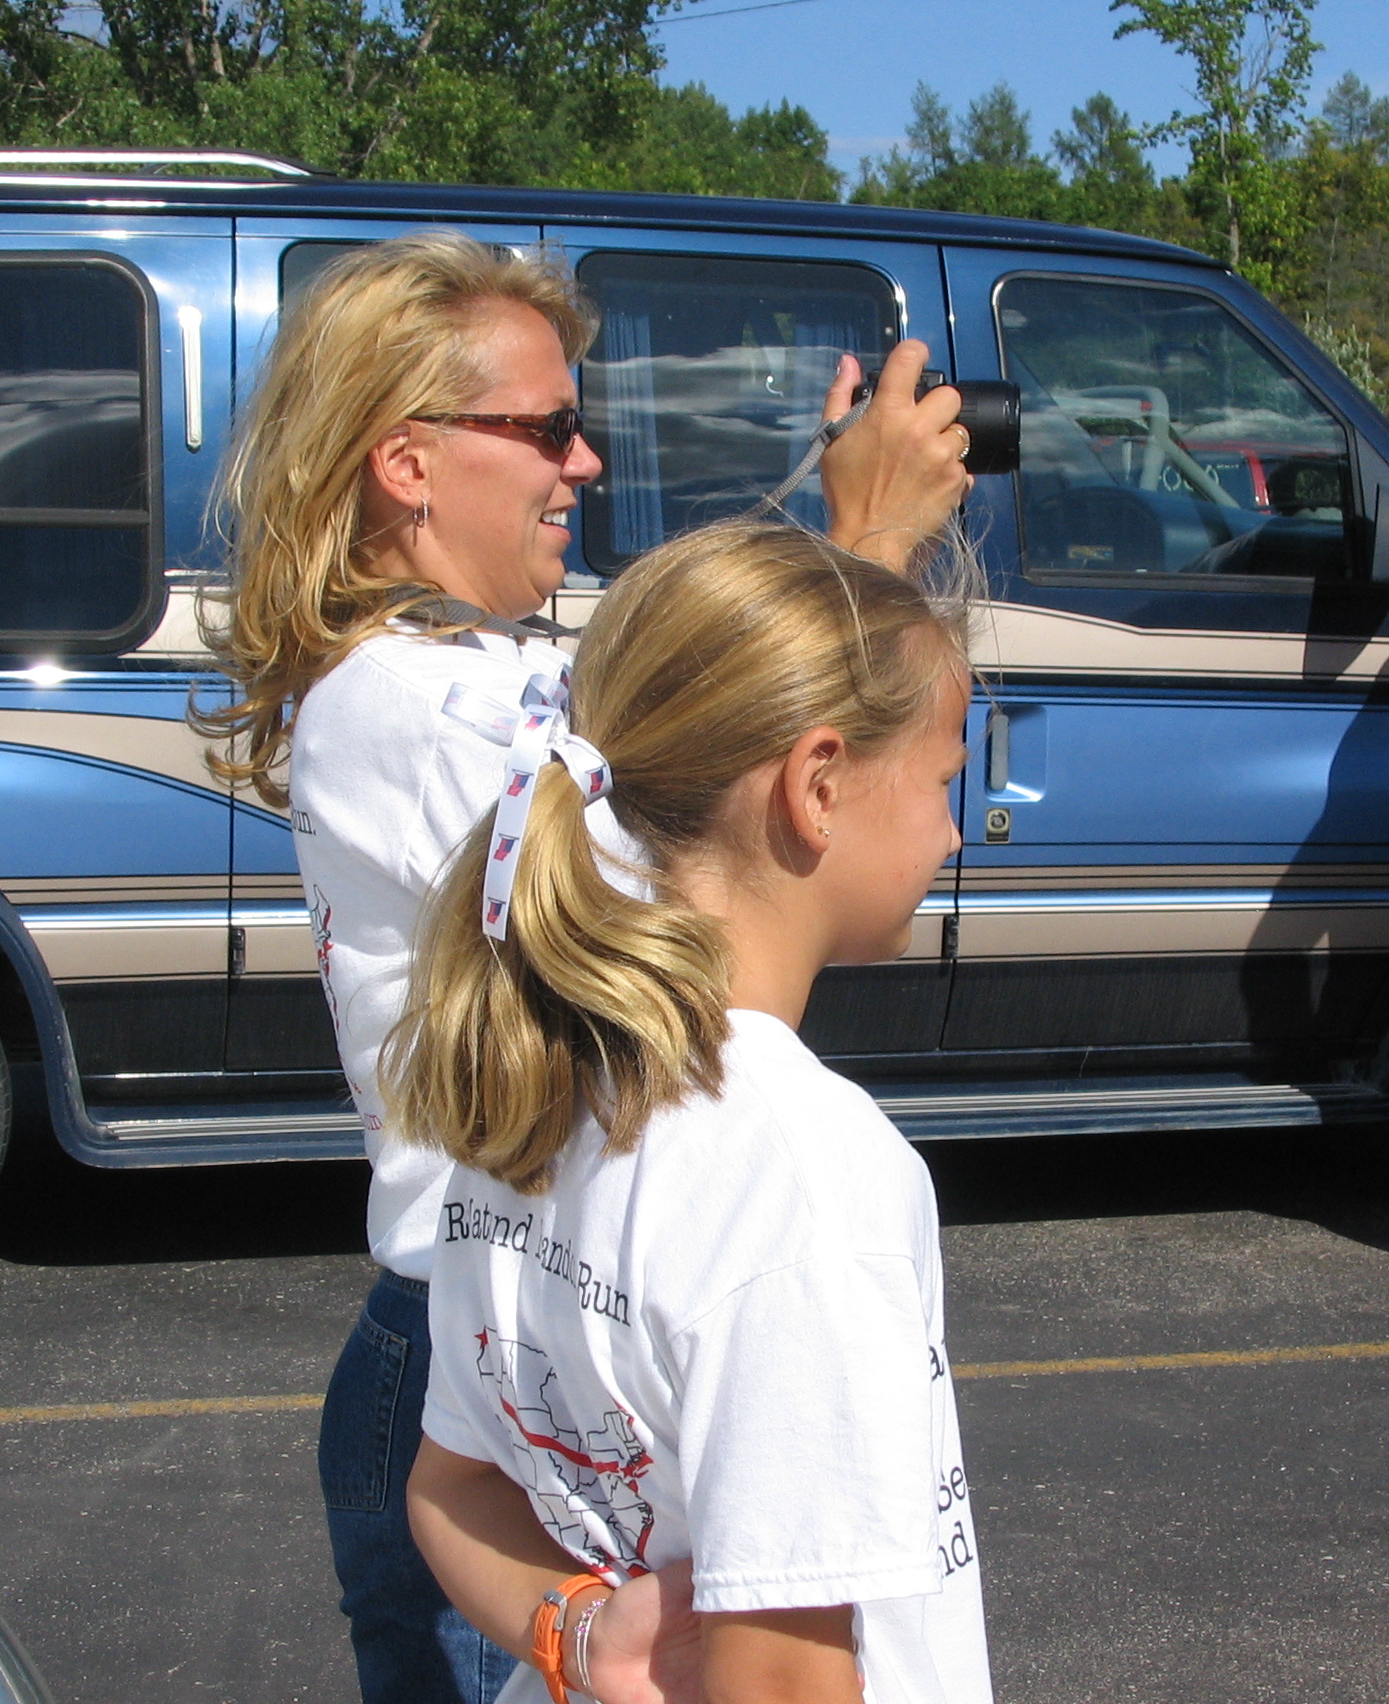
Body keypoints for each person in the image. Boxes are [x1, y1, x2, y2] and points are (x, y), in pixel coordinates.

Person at [199, 233, 974, 1704]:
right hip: (504, 1354)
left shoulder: (470, 671)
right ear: (406, 462)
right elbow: (718, 849)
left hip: (530, 1327)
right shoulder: (407, 700)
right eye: (548, 426)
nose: (586, 460)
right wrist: (862, 548)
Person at [397, 521, 991, 1704]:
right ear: (818, 786)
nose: (953, 829)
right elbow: (780, 1683)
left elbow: (449, 1488)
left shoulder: (540, 1085)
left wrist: (581, 1639)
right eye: (941, 781)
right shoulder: (804, 1169)